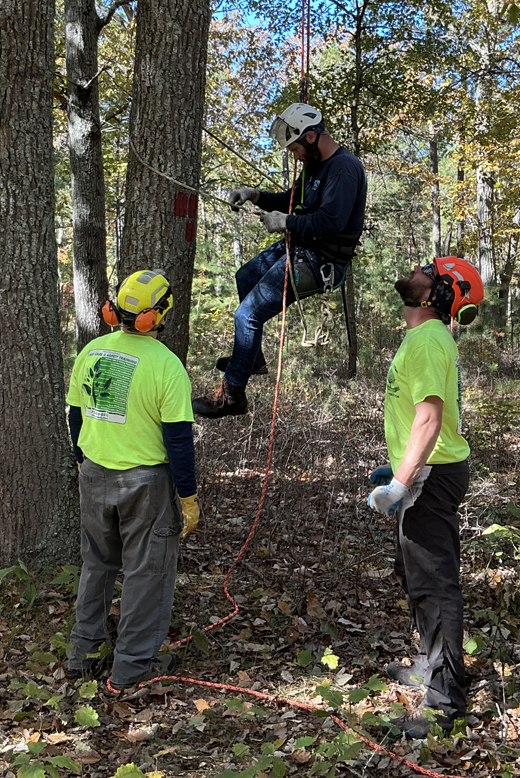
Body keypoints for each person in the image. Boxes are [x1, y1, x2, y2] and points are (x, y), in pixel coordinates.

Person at [366, 256, 483, 738]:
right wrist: (398, 469)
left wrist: (403, 481)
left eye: (429, 271)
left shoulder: (432, 339)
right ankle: (428, 664)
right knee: (414, 576)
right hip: (422, 474)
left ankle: (445, 703)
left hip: (431, 478)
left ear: (438, 293)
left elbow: (430, 418)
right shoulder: (421, 338)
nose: (417, 270)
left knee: (436, 585)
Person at [65, 269, 199, 689]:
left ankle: (83, 652)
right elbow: (177, 440)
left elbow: (75, 415)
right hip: (145, 482)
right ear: (159, 315)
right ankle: (133, 667)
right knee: (147, 572)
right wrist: (189, 497)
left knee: (97, 564)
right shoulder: (166, 365)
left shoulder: (93, 351)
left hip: (94, 473)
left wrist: (83, 459)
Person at [192, 102, 366, 418]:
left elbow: (331, 222)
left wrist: (286, 222)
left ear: (311, 137)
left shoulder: (344, 168)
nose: (295, 156)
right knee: (244, 277)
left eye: (296, 148)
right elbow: (291, 200)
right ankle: (251, 359)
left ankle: (232, 395)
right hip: (300, 246)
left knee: (247, 314)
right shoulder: (315, 166)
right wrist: (254, 195)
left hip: (322, 261)